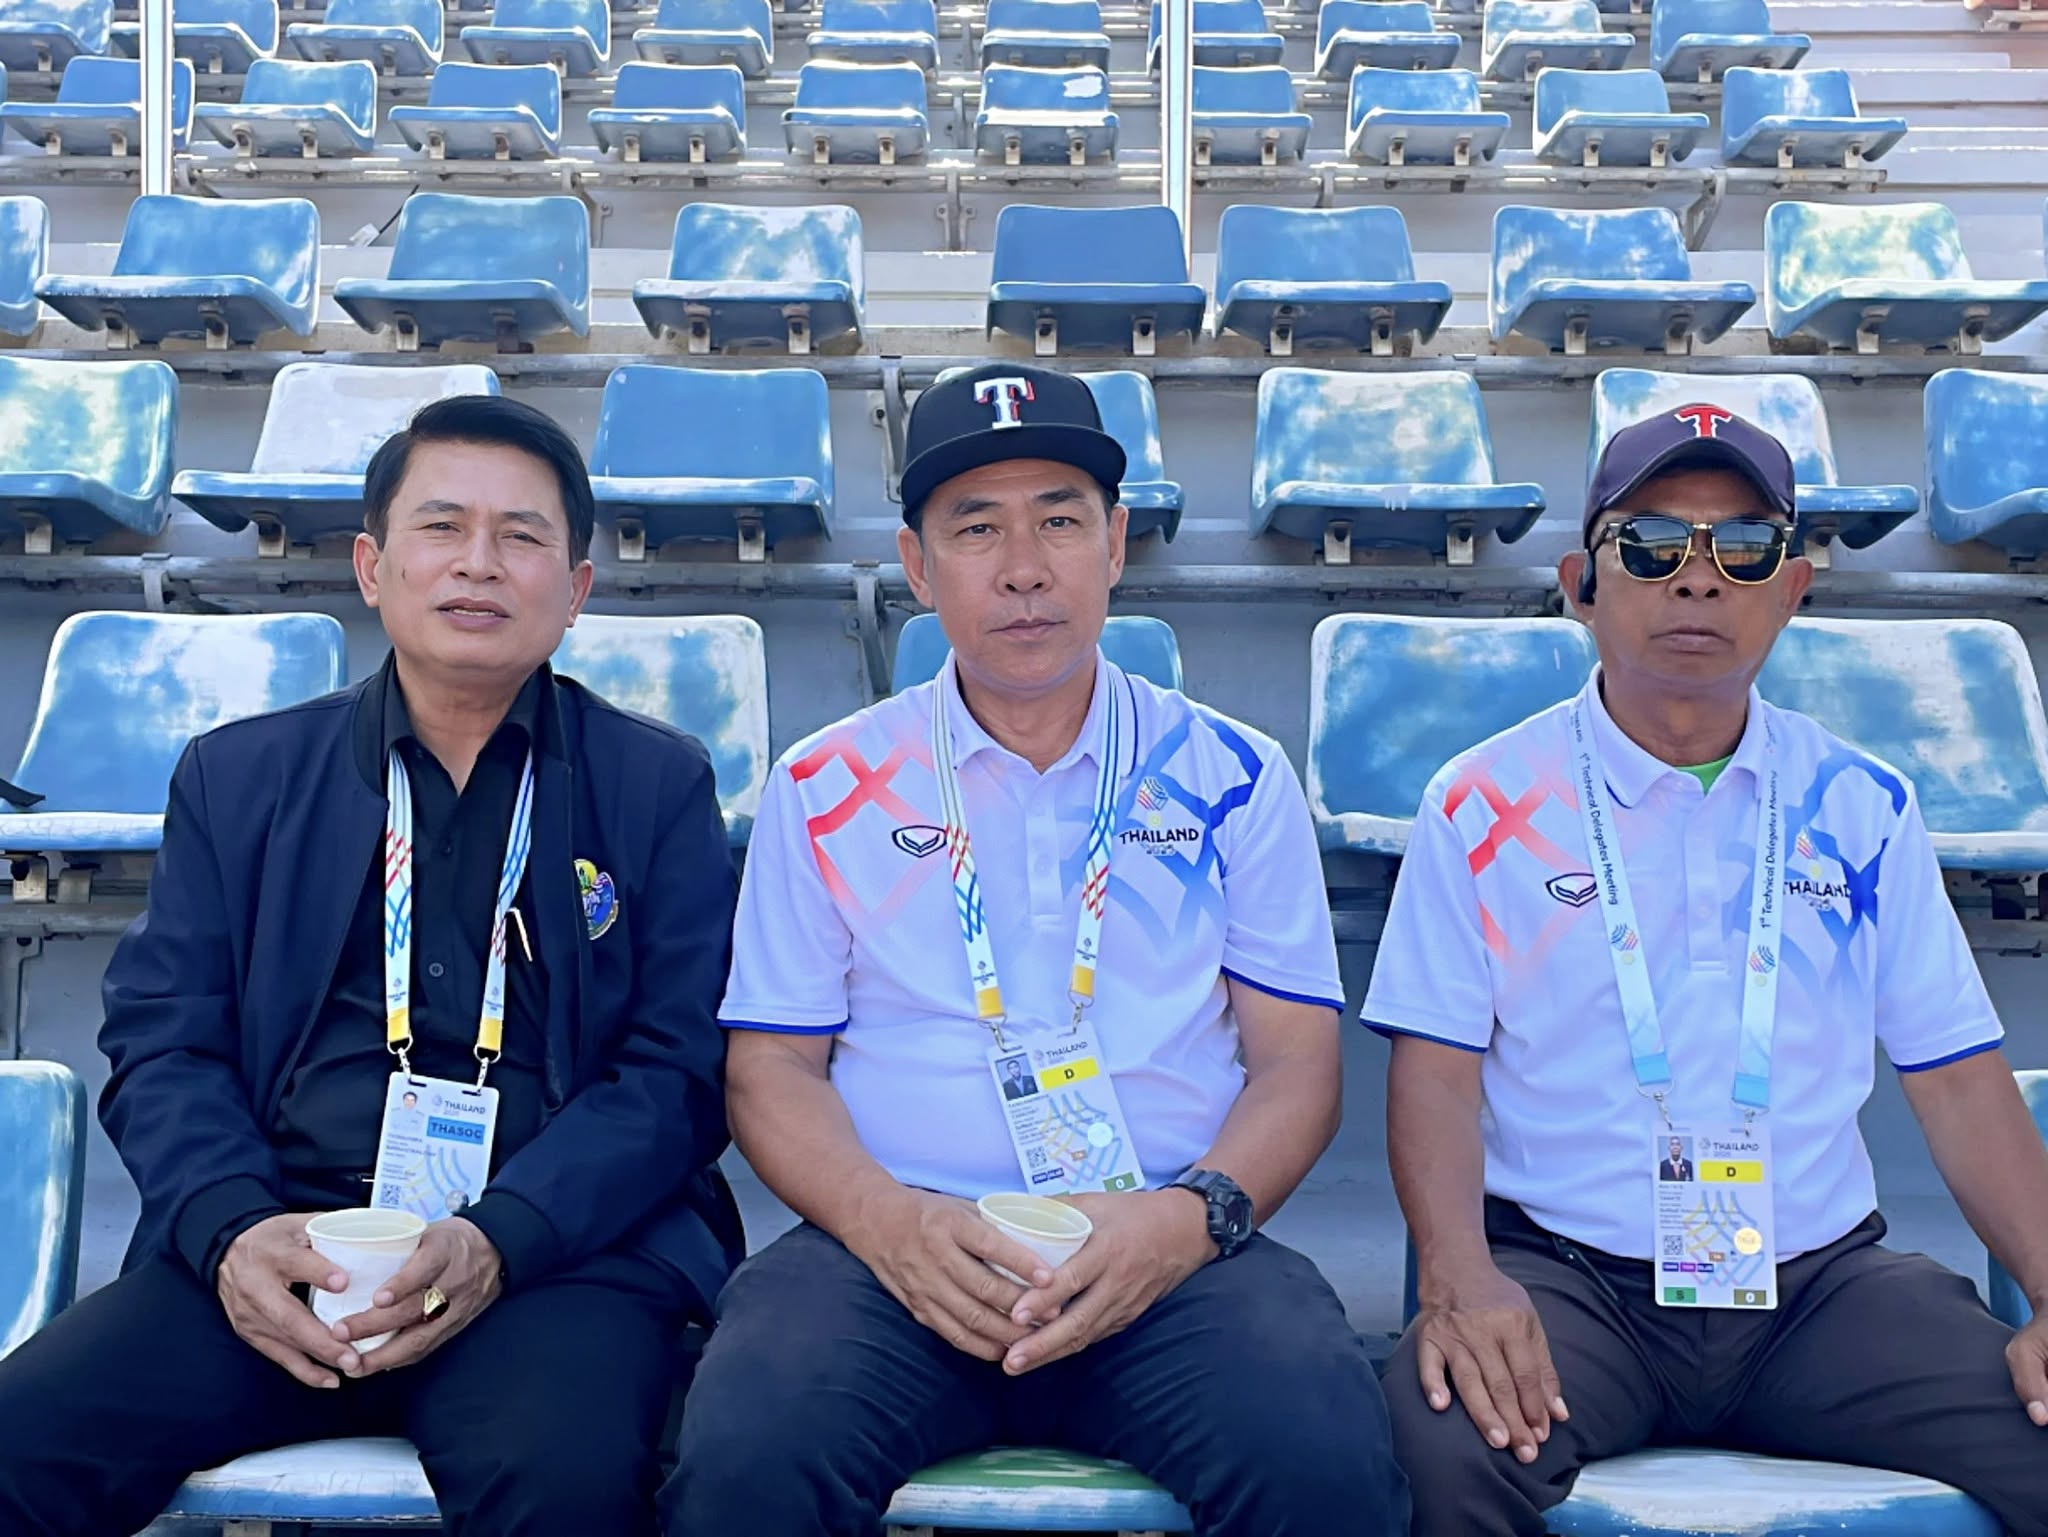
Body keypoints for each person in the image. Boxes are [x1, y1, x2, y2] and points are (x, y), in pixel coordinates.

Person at [665, 364, 1408, 1536]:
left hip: (1164, 1246)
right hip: (896, 1250)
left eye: (1059, 521)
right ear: (916, 567)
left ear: (1113, 544)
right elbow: (771, 1069)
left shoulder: (1231, 775)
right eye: (976, 528)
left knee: (1322, 1457)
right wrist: (886, 1223)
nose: (1022, 568)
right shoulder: (824, 783)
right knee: (744, 1455)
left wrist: (1187, 1222)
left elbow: (1294, 1063)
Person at [0, 396, 742, 1537]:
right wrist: (234, 1230)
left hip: (550, 1262)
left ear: (576, 590)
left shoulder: (655, 785)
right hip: (286, 1244)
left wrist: (500, 1239)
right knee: (20, 1439)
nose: (478, 563)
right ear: (371, 567)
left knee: (569, 1482)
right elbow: (163, 1042)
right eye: (442, 526)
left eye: (521, 536)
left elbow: (676, 1071)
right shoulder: (239, 778)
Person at [1367, 404, 2048, 1537]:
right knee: (1432, 1446)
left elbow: (1955, 1076)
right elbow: (1434, 1074)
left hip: (1818, 1291)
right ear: (1580, 584)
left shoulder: (1861, 805)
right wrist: (1459, 1278)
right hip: (1571, 1281)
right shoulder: (1480, 802)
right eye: (1649, 545)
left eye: (1742, 547)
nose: (1697, 578)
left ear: (1793, 589)